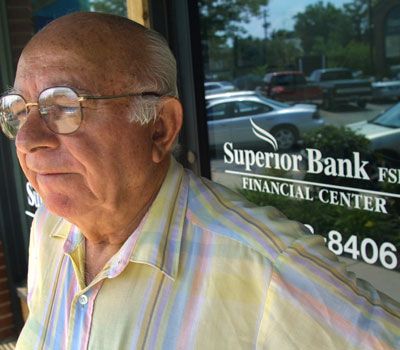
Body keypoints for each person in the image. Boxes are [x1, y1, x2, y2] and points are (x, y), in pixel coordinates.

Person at [0, 12, 399, 350]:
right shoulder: (49, 228)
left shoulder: (270, 269)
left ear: (159, 128)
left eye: (65, 106)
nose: (28, 139)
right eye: (19, 110)